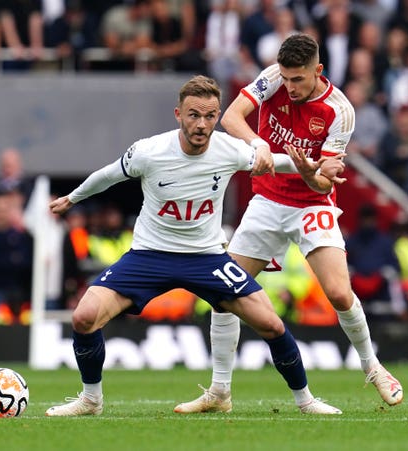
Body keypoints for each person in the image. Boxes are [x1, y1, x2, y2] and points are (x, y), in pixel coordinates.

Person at [45, 75, 347, 417]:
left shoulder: (230, 150)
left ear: (217, 117)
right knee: (84, 317)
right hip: (149, 256)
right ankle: (90, 400)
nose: (201, 124)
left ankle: (306, 401)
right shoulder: (149, 151)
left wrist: (320, 165)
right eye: (193, 115)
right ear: (178, 114)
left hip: (207, 258)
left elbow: (280, 161)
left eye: (209, 116)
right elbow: (110, 174)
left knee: (272, 324)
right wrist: (72, 198)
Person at [174, 34, 403, 414]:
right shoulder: (272, 79)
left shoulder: (339, 111)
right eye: (286, 78)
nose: (290, 87)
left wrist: (308, 171)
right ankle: (219, 392)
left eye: (298, 79)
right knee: (223, 294)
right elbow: (231, 117)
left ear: (318, 71)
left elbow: (325, 183)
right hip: (266, 201)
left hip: (311, 203)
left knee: (340, 295)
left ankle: (373, 367)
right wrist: (258, 144)